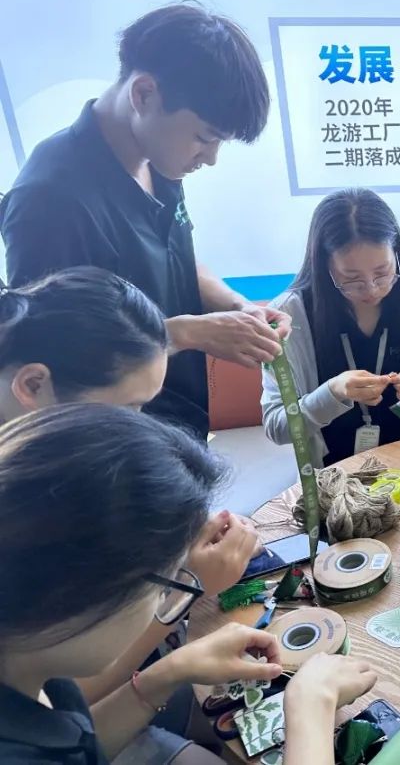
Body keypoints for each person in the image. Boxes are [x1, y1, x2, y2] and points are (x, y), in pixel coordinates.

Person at [0, 404, 376, 764]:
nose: (163, 605)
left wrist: (166, 674)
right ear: (76, 596)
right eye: (164, 589)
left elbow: (82, 750)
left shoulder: (31, 676)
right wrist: (311, 710)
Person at [0, 2, 292, 440]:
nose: (210, 158)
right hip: (115, 444)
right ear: (143, 95)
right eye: (204, 138)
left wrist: (238, 307)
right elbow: (54, 358)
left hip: (181, 422)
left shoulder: (159, 160)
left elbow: (175, 259)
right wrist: (188, 333)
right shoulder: (49, 199)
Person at [0, 266, 259, 712]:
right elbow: (57, 701)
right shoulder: (29, 491)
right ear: (33, 384)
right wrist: (186, 587)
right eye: (128, 408)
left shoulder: (45, 449)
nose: (140, 427)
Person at [261, 188, 400, 465]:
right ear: (324, 266)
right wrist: (332, 393)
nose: (371, 289)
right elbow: (277, 425)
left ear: (397, 254)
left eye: (382, 272)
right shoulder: (288, 317)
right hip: (337, 470)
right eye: (352, 278)